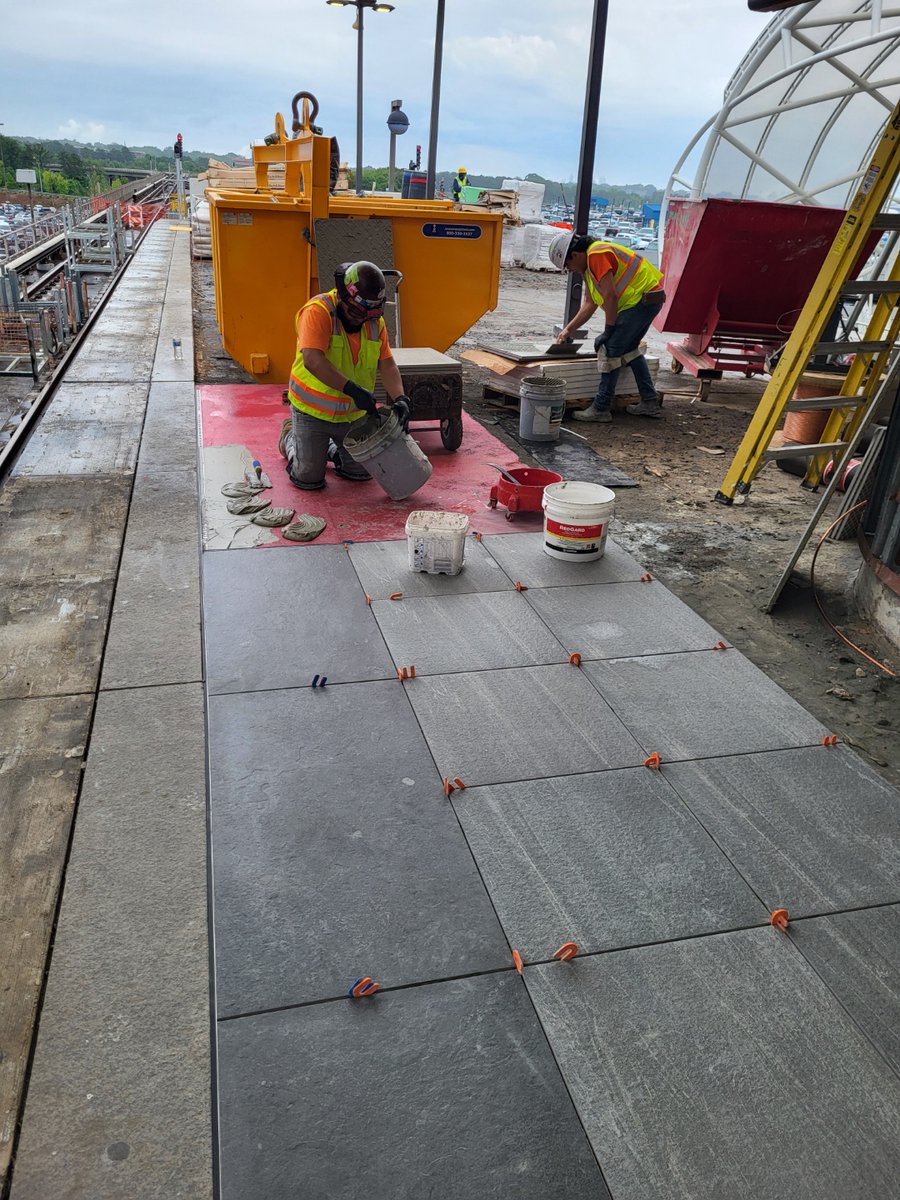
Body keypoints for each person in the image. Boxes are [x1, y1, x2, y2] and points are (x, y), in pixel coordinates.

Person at [280, 261, 411, 490]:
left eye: (367, 315)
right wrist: (352, 389)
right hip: (312, 412)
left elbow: (387, 364)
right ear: (342, 296)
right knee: (308, 479)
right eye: (356, 312)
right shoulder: (317, 312)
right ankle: (291, 436)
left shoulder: (374, 322)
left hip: (353, 414)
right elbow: (313, 360)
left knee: (360, 474)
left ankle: (327, 449)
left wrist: (400, 398)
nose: (361, 320)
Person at [548, 230, 665, 421]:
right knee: (629, 350)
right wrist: (568, 329)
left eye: (568, 265)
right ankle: (650, 402)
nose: (570, 270)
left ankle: (601, 408)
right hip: (648, 301)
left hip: (641, 302)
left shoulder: (597, 254)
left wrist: (608, 331)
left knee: (610, 350)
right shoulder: (589, 268)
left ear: (575, 254)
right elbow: (589, 303)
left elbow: (611, 296)